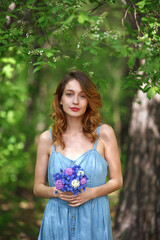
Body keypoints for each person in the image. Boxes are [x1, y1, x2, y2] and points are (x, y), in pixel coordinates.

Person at [34, 70, 123, 240]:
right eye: (69, 94)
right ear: (60, 99)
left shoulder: (104, 134)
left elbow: (117, 181)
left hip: (93, 220)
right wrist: (57, 192)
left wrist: (92, 193)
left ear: (89, 100)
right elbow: (38, 187)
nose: (75, 101)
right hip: (56, 220)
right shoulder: (47, 138)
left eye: (82, 96)